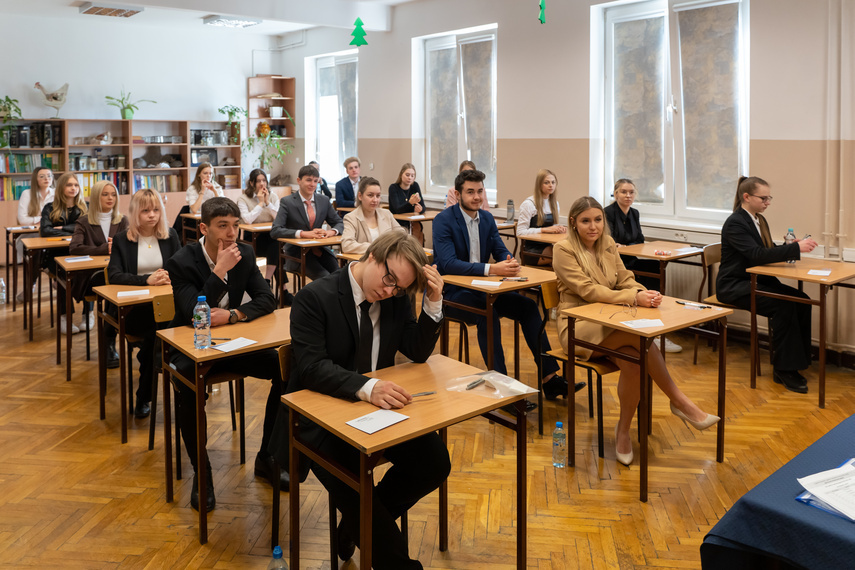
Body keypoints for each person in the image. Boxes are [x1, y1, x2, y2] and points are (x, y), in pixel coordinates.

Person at [272, 231, 447, 570]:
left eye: (398, 288)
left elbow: (416, 350)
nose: (389, 291)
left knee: (435, 462)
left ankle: (353, 526)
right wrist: (368, 388)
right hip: (320, 418)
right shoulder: (314, 297)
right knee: (355, 483)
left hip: (376, 413)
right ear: (372, 256)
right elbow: (310, 368)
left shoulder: (395, 298)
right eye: (389, 279)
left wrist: (433, 302)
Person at [553, 196, 719, 466]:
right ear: (573, 223)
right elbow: (587, 290)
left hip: (609, 319)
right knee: (640, 337)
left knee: (635, 363)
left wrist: (642, 291)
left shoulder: (607, 244)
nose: (593, 226)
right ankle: (679, 401)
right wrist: (632, 299)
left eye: (597, 220)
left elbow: (624, 277)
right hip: (578, 326)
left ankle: (623, 430)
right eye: (585, 221)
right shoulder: (563, 249)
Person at [165, 197, 286, 512]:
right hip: (190, 348)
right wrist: (218, 272)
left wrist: (234, 315)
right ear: (204, 228)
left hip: (231, 343)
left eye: (235, 226)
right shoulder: (181, 261)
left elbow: (266, 299)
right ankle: (201, 471)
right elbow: (195, 315)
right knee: (189, 390)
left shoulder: (244, 253)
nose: (232, 234)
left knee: (286, 368)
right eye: (223, 226)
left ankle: (267, 457)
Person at [433, 169, 581, 401]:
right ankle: (501, 387)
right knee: (487, 314)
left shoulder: (487, 218)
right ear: (458, 194)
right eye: (470, 192)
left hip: (484, 290)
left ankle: (549, 379)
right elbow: (449, 263)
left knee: (528, 307)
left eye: (480, 191)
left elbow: (498, 247)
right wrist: (492, 269)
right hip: (452, 293)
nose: (477, 197)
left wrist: (508, 261)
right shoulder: (444, 220)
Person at [717, 176, 818, 394]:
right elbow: (756, 255)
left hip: (756, 280)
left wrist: (788, 246)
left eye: (768, 198)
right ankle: (784, 369)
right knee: (785, 305)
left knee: (802, 300)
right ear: (746, 197)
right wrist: (795, 249)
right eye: (763, 198)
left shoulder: (759, 220)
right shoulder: (735, 222)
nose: (767, 202)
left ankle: (798, 358)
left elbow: (766, 250)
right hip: (735, 285)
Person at [107, 189, 180, 418]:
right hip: (135, 310)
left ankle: (151, 388)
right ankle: (146, 393)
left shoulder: (170, 235)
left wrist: (170, 276)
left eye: (156, 210)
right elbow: (115, 274)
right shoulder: (122, 239)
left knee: (159, 333)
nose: (152, 215)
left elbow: (182, 268)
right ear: (135, 212)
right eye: (146, 210)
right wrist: (146, 280)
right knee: (156, 333)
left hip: (165, 306)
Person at [604, 178, 682, 353]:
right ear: (616, 193)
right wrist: (623, 247)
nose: (628, 195)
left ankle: (654, 318)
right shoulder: (607, 212)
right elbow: (610, 241)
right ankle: (644, 320)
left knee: (655, 268)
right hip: (616, 262)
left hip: (631, 258)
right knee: (645, 272)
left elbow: (639, 239)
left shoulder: (634, 213)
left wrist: (628, 247)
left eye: (631, 192)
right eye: (624, 192)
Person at [70, 180, 129, 368]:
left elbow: (129, 247)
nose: (110, 198)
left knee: (116, 292)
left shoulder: (122, 220)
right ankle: (109, 343)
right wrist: (105, 248)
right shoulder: (84, 221)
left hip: (116, 275)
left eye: (113, 194)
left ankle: (110, 340)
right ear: (96, 197)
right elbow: (75, 248)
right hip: (91, 278)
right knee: (111, 291)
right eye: (105, 194)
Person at [271, 164, 343, 281]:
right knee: (324, 277)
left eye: (315, 181)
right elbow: (275, 230)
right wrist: (302, 233)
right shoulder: (287, 202)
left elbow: (339, 223)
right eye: (308, 180)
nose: (312, 184)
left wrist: (331, 232)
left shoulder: (324, 200)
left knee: (340, 275)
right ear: (299, 181)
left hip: (320, 249)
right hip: (296, 254)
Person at [40, 173, 87, 335]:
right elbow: (45, 231)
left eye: (76, 185)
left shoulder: (84, 207)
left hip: (79, 251)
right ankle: (64, 316)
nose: (73, 188)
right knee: (62, 274)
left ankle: (88, 314)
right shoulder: (49, 208)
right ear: (61, 188)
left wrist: (62, 229)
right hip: (56, 254)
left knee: (89, 272)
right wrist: (74, 229)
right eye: (69, 185)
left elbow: (85, 229)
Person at [15, 167, 55, 302]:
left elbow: (60, 217)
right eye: (42, 176)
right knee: (35, 251)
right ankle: (50, 272)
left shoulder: (56, 193)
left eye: (49, 176)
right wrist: (44, 220)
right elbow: (22, 219)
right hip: (30, 235)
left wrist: (40, 220)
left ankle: (31, 285)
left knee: (42, 251)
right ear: (35, 179)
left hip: (50, 234)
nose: (46, 179)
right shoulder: (27, 194)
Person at [341, 177, 405, 254]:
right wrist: (376, 247)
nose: (375, 200)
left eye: (378, 196)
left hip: (388, 259)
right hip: (364, 262)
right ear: (360, 196)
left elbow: (402, 235)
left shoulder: (386, 214)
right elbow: (347, 245)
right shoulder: (351, 218)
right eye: (370, 195)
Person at [518, 169, 566, 265]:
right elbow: (520, 232)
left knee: (566, 254)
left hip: (548, 246)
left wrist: (558, 228)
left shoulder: (555, 204)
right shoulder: (528, 204)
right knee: (562, 259)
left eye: (553, 182)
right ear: (539, 185)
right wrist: (544, 230)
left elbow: (552, 225)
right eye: (546, 183)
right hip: (531, 250)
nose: (551, 185)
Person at [388, 162, 425, 244]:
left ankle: (418, 251)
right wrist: (410, 203)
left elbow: (422, 205)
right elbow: (397, 209)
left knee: (417, 227)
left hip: (413, 222)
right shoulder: (393, 188)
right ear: (401, 174)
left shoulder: (415, 186)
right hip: (398, 222)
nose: (410, 178)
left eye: (412, 176)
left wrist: (420, 209)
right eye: (407, 175)